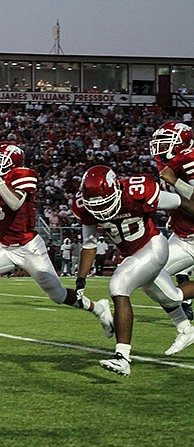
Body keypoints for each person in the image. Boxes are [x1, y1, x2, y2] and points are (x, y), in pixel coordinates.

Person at [0, 142, 113, 355]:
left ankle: (98, 308)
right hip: (6, 247)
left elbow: (14, 204)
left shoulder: (23, 174)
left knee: (57, 296)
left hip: (29, 248)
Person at [74, 165, 194, 376]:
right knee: (173, 297)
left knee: (119, 285)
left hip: (153, 246)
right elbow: (89, 244)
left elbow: (179, 202)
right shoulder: (84, 206)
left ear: (116, 190)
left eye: (105, 202)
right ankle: (186, 328)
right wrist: (81, 279)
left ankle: (122, 357)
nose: (102, 210)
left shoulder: (138, 190)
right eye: (96, 205)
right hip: (133, 254)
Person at [151, 121, 194, 324]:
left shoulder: (189, 158)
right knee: (150, 275)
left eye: (165, 142)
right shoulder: (170, 162)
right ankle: (184, 322)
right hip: (184, 237)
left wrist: (175, 181)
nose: (159, 146)